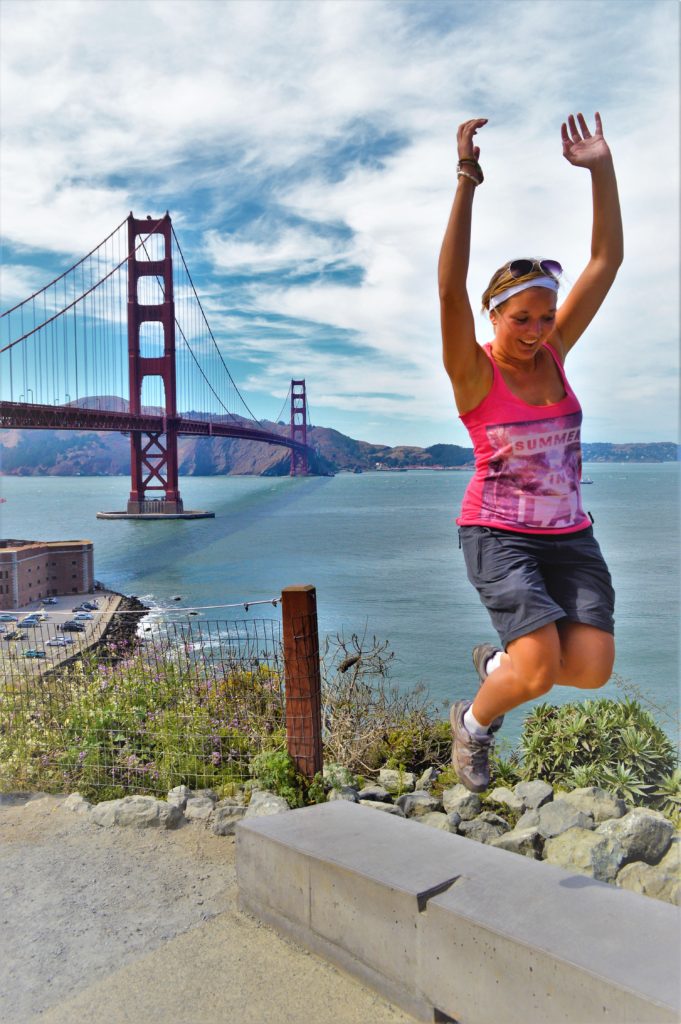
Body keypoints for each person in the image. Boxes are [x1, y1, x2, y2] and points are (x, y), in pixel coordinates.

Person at [438, 113, 623, 793]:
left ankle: (496, 669)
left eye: (546, 317)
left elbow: (605, 262)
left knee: (592, 666)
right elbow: (447, 287)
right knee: (539, 668)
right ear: (493, 313)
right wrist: (466, 179)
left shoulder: (554, 354)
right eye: (522, 318)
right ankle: (475, 724)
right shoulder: (474, 371)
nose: (536, 330)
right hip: (496, 532)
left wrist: (600, 168)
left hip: (569, 534)